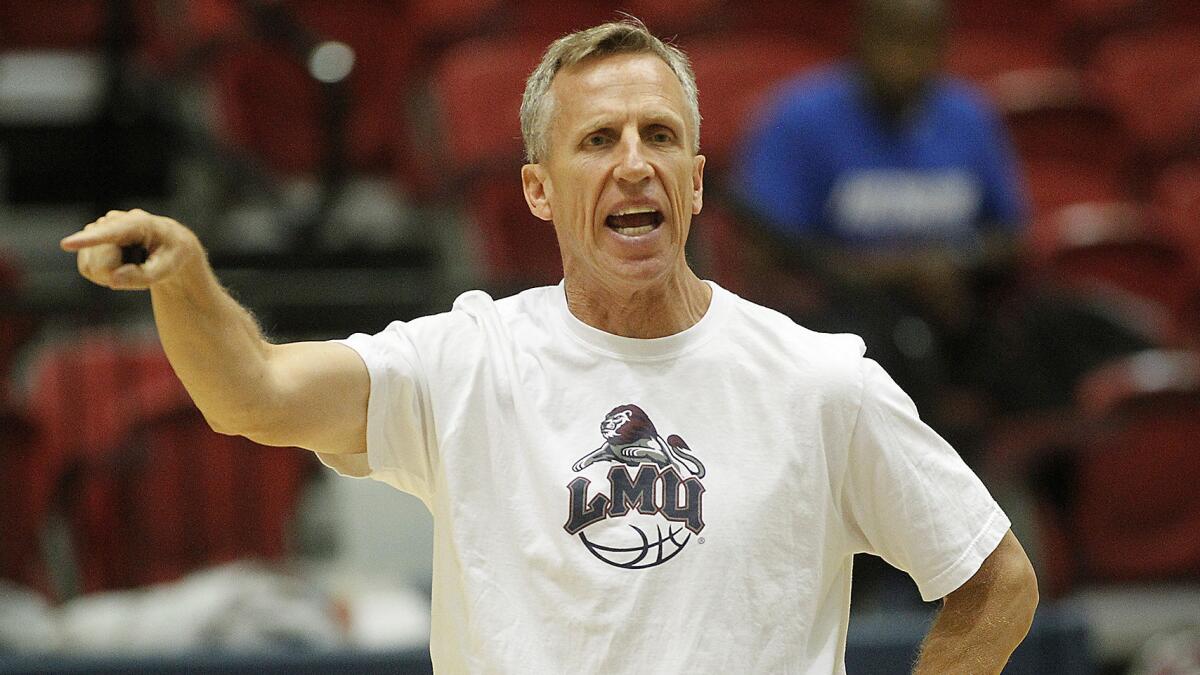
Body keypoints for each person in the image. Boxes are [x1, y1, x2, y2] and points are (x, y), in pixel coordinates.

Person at [61, 19, 1038, 673]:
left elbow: (995, 583)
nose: (633, 162)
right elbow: (255, 394)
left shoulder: (818, 380)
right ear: (537, 191)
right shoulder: (470, 361)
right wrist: (188, 280)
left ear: (695, 182)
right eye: (598, 139)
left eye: (659, 135)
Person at [734, 0, 1029, 443]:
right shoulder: (799, 117)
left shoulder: (968, 116)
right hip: (840, 315)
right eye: (893, 38)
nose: (905, 57)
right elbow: (772, 249)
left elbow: (1011, 236)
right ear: (861, 38)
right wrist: (906, 272)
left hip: (955, 306)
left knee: (1047, 331)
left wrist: (953, 263)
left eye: (921, 42)